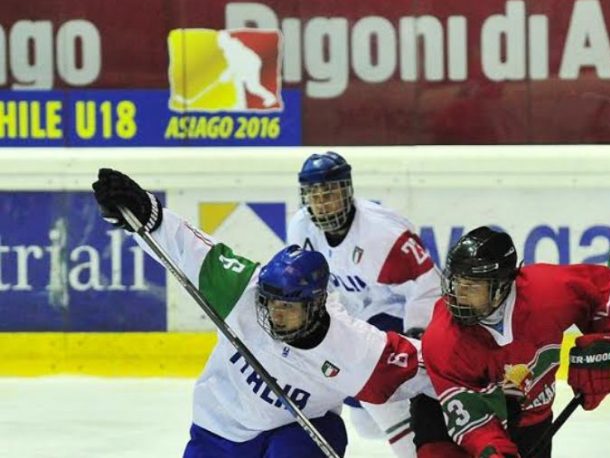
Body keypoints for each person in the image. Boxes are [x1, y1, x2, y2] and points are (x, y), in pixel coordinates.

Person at [92, 168, 432, 458]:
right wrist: (147, 214)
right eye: (270, 302)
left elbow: (429, 365)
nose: (274, 313)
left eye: (287, 306)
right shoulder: (244, 290)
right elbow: (188, 248)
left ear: (314, 306)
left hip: (297, 430)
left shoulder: (351, 344)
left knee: (327, 433)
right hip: (219, 428)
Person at [419, 227, 610, 458]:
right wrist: (493, 452)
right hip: (450, 418)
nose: (459, 294)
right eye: (457, 283)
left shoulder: (548, 292)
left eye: (472, 286)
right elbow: (471, 419)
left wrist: (602, 347)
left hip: (533, 419)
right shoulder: (443, 337)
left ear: (501, 286)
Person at [287, 151, 443, 457]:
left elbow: (428, 284)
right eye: (315, 195)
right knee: (365, 425)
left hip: (397, 316)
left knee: (379, 395)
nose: (322, 202)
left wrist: (417, 333)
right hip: (354, 318)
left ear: (347, 190)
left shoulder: (382, 233)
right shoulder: (301, 227)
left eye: (329, 193)